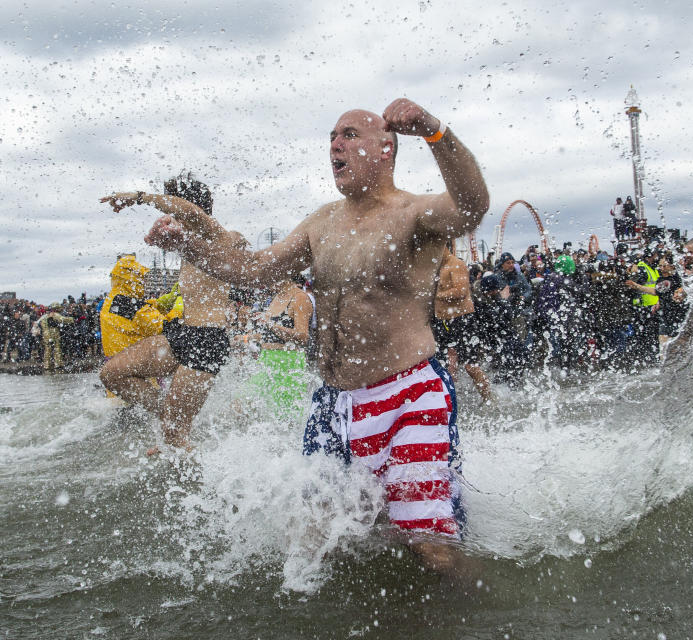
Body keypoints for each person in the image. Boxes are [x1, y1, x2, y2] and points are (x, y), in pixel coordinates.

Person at [105, 100, 489, 571]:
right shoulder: (321, 222)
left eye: (349, 135)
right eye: (331, 136)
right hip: (332, 405)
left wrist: (435, 131)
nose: (335, 145)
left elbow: (472, 206)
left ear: (387, 149)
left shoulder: (413, 212)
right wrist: (187, 244)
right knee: (309, 547)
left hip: (407, 398)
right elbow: (250, 270)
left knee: (431, 550)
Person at [100, 173, 248, 452]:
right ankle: (172, 416)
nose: (168, 215)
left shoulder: (217, 235)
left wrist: (137, 197)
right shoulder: (188, 241)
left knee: (175, 435)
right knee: (112, 374)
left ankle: (207, 480)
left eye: (171, 208)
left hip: (207, 341)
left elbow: (193, 213)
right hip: (182, 333)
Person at [246, 274, 314, 420]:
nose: (264, 282)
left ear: (285, 274)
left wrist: (270, 323)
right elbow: (270, 334)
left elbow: (303, 336)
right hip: (266, 359)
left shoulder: (300, 298)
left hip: (288, 362)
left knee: (283, 418)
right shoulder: (276, 297)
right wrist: (246, 338)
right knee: (243, 406)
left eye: (270, 275)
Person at [432, 244, 492, 402]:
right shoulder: (435, 268)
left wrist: (435, 294)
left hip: (462, 319)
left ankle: (488, 398)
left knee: (470, 365)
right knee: (441, 362)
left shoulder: (456, 264)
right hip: (443, 321)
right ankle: (447, 400)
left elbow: (461, 291)